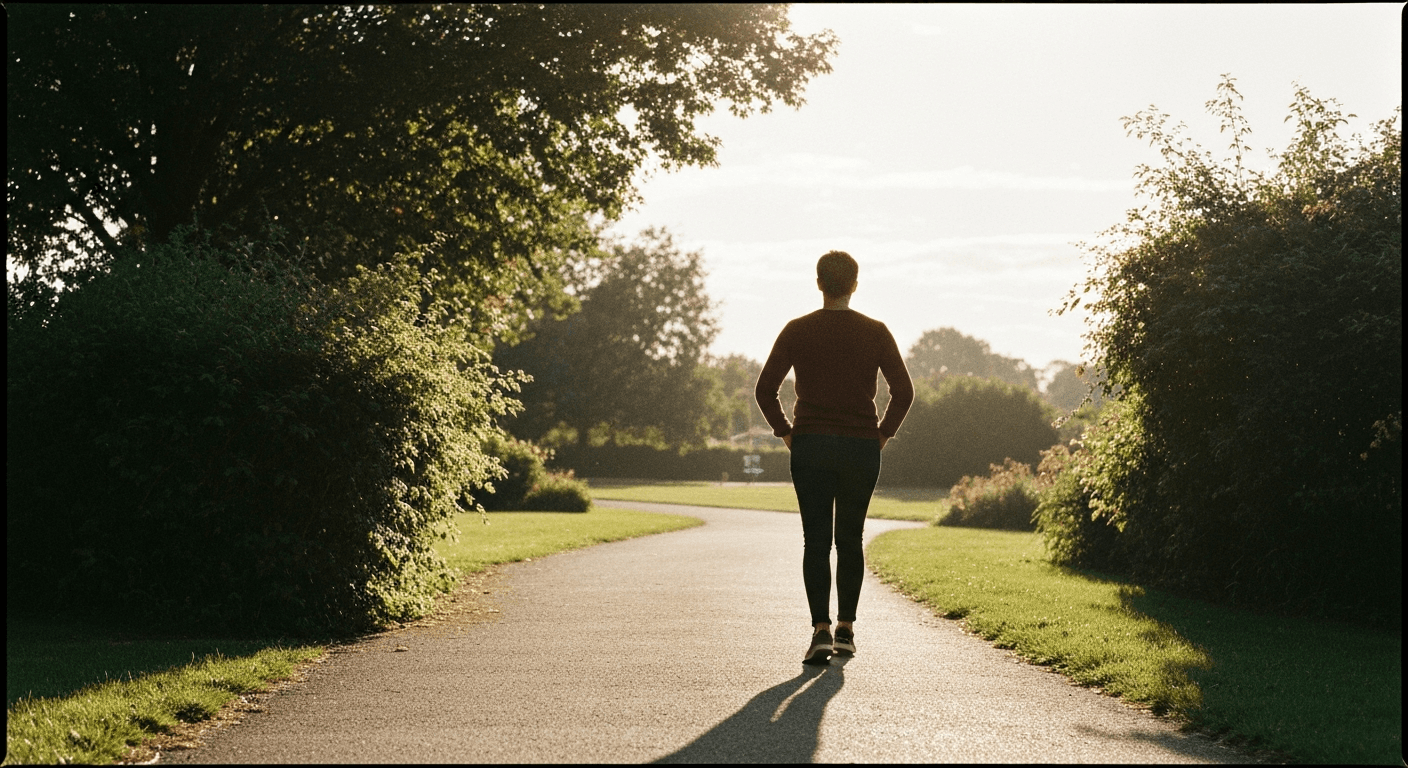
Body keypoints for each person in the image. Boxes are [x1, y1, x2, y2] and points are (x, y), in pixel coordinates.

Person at [755, 250, 915, 665]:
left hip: (811, 443)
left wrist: (786, 432)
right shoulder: (876, 331)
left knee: (816, 540)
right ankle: (846, 629)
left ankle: (820, 631)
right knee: (850, 539)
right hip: (861, 446)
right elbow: (904, 391)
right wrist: (882, 434)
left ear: (819, 283)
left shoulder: (797, 330)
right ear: (855, 285)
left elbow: (764, 389)